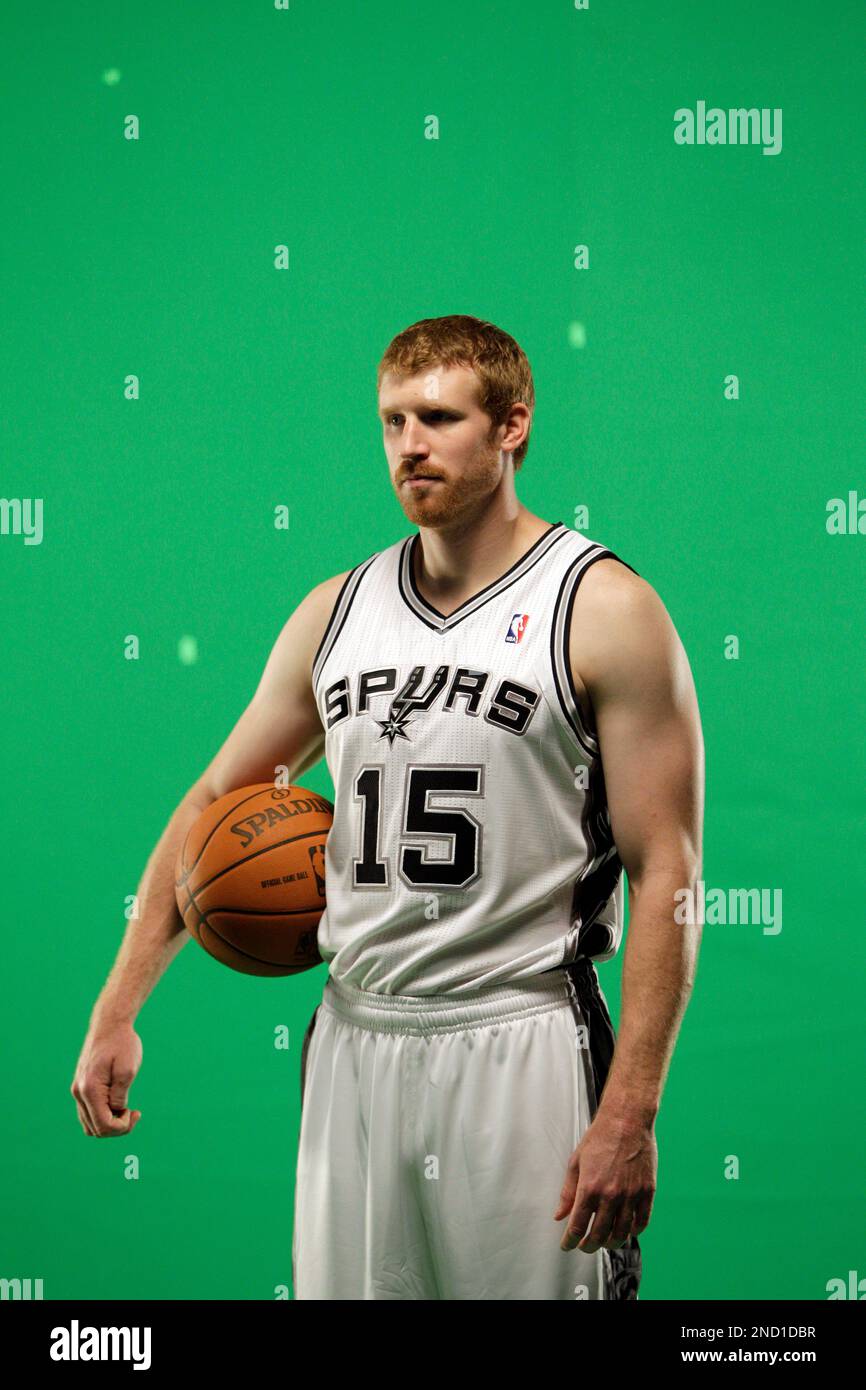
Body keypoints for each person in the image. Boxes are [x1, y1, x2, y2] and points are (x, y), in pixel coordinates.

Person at [72, 314, 704, 1301]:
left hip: (523, 1039)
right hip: (357, 1040)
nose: (410, 444)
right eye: (392, 420)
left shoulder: (604, 607)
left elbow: (665, 868)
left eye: (440, 417)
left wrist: (631, 1108)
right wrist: (119, 1006)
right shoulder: (336, 611)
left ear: (511, 427)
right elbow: (214, 801)